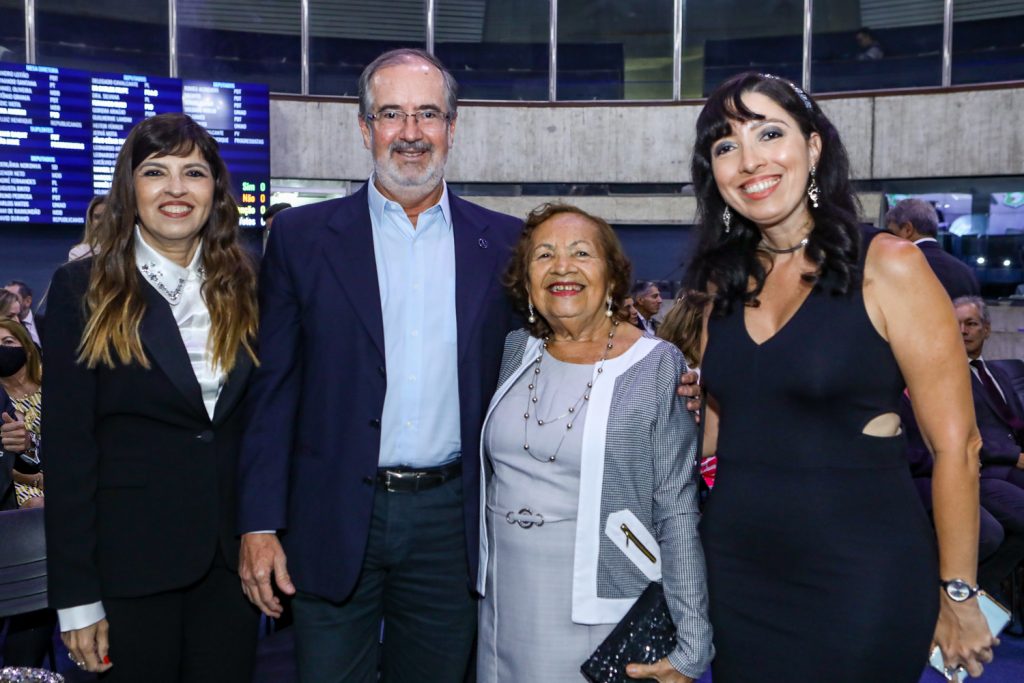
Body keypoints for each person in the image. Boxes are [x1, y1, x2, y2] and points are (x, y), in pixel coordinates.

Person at [686, 72, 994, 681]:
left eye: (769, 133)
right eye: (725, 146)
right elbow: (719, 433)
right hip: (737, 574)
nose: (749, 160)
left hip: (860, 575)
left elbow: (957, 445)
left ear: (814, 147)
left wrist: (958, 594)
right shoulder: (721, 284)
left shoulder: (889, 266)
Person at [237, 49, 521, 682]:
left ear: (453, 125)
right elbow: (273, 392)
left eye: (427, 114)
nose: (411, 133)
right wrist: (258, 523)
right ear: (365, 128)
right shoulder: (302, 239)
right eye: (392, 114)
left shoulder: (504, 243)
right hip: (331, 515)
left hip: (452, 522)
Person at [42, 112, 260, 681]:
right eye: (155, 172)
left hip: (229, 564)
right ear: (129, 188)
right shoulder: (83, 288)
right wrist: (78, 598)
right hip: (127, 569)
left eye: (194, 172)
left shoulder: (250, 283)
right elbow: (68, 451)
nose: (176, 189)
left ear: (215, 191)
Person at [476, 203, 712, 683]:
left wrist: (693, 638)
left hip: (602, 605)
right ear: (527, 281)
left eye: (581, 253)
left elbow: (676, 506)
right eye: (544, 255)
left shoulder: (656, 365)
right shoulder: (515, 350)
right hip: (503, 606)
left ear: (611, 276)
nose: (562, 266)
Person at [885, 198, 980, 300]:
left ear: (908, 229)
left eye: (891, 233)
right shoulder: (966, 273)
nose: (888, 240)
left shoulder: (897, 269)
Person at [0, 318, 44, 509]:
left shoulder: (57, 383)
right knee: (38, 505)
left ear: (26, 348)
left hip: (69, 468)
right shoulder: (2, 401)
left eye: (7, 342)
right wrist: (37, 479)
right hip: (20, 480)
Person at [68, 195, 107, 261]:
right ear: (90, 221)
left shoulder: (126, 252)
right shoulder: (78, 254)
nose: (101, 222)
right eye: (97, 217)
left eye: (107, 216)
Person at [5, 281, 41, 346]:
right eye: (5, 298)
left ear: (27, 301)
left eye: (13, 298)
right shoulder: (3, 325)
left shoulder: (47, 322)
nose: (6, 302)